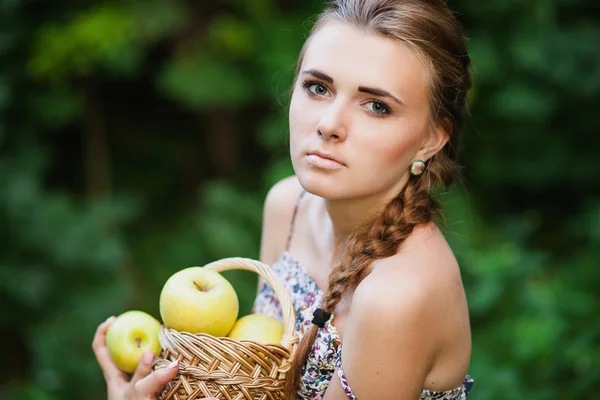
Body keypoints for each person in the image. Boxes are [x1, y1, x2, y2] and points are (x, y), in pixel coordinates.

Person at [93, 0, 475, 398]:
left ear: (432, 138)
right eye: (318, 88)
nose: (329, 125)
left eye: (377, 106)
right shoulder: (288, 206)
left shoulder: (396, 295)